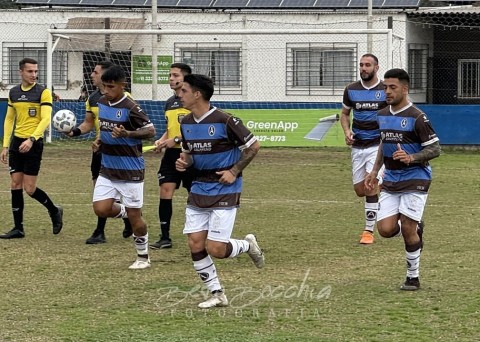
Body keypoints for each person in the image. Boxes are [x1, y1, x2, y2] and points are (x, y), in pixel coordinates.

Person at [175, 74, 264, 308]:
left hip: (225, 187)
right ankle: (217, 294)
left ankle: (247, 245)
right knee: (195, 244)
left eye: (183, 90)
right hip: (198, 187)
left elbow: (253, 147)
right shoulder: (185, 122)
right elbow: (189, 156)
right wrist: (185, 163)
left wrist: (234, 171)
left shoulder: (225, 120)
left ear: (197, 94)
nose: (178, 94)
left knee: (216, 249)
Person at [365, 68, 440, 291]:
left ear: (404, 89)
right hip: (391, 178)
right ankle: (416, 227)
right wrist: (374, 171)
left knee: (407, 227)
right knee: (386, 230)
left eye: (392, 87)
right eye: (385, 87)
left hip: (416, 177)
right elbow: (383, 143)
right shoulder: (383, 114)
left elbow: (435, 148)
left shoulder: (417, 117)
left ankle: (412, 277)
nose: (387, 91)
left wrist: (411, 157)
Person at [92, 65, 155, 269]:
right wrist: (100, 140)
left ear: (122, 86)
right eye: (104, 87)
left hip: (130, 170)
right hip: (108, 168)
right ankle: (128, 212)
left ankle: (143, 257)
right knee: (101, 209)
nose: (106, 91)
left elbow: (150, 130)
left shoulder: (131, 107)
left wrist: (127, 134)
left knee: (137, 218)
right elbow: (105, 127)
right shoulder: (102, 102)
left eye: (111, 87)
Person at [67, 60, 132, 244]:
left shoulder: (125, 98)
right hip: (99, 150)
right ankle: (125, 219)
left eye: (95, 72)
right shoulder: (93, 98)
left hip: (118, 152)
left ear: (105, 75)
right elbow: (88, 123)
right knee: (99, 191)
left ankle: (100, 231)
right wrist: (74, 132)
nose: (92, 75)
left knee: (117, 192)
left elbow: (131, 125)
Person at [0, 57, 63, 239]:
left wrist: (32, 139)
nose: (34, 74)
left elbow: (45, 119)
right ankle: (18, 228)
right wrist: (5, 145)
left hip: (33, 144)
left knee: (29, 188)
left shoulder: (43, 93)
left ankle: (54, 210)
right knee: (15, 184)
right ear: (21, 71)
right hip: (16, 143)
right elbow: (9, 119)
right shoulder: (13, 93)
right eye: (30, 71)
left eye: (36, 71)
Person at [340, 53, 387, 244]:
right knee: (360, 190)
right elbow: (344, 114)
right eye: (361, 65)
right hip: (358, 146)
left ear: (376, 68)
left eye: (367, 65)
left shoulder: (385, 89)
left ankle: (368, 231)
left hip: (377, 145)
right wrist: (347, 130)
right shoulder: (351, 89)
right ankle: (386, 190)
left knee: (370, 186)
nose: (363, 68)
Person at [150, 63, 193, 250]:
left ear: (185, 79)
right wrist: (162, 140)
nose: (171, 79)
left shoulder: (193, 102)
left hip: (192, 153)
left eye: (175, 75)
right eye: (170, 75)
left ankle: (200, 232)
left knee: (196, 195)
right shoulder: (169, 102)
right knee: (165, 190)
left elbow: (196, 131)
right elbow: (170, 130)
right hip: (171, 154)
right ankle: (165, 237)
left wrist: (175, 139)